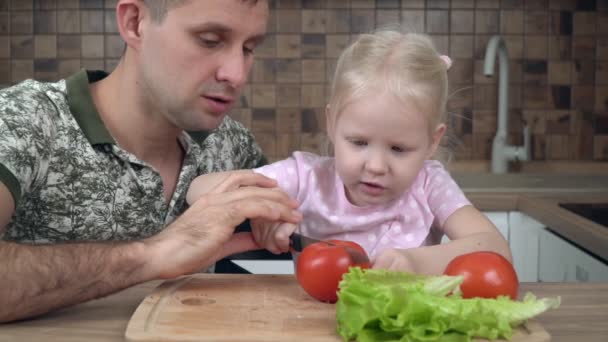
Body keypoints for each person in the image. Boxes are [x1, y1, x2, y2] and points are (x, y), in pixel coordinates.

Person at [0, 0, 302, 323]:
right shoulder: (23, 121)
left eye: (249, 48)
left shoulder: (232, 145)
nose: (237, 74)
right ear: (134, 23)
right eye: (210, 40)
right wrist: (154, 254)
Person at [188, 29, 512, 275]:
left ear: (432, 142)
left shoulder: (429, 185)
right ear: (331, 124)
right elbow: (197, 190)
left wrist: (415, 262)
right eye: (358, 142)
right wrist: (259, 210)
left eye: (399, 149)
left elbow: (496, 250)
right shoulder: (306, 177)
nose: (375, 166)